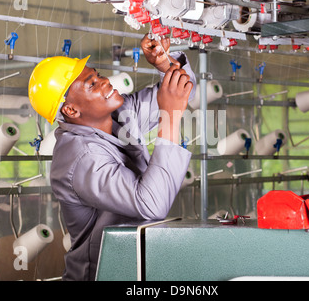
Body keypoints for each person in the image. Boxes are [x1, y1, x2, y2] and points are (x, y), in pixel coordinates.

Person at [28, 34, 196, 281]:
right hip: (101, 274)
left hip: (133, 263)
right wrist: (169, 118)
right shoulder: (81, 159)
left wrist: (164, 64)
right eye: (92, 84)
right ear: (71, 110)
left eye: (97, 75)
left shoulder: (119, 114)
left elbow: (183, 92)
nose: (104, 81)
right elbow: (152, 205)